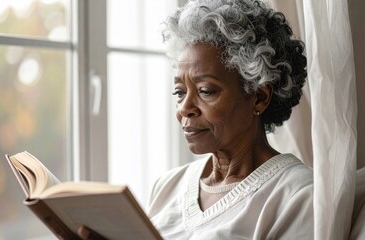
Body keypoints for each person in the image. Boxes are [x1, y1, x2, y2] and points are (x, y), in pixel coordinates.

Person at [79, 0, 312, 239]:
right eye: (180, 92)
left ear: (259, 98)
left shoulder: (298, 194)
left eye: (205, 91)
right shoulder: (168, 186)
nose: (184, 109)